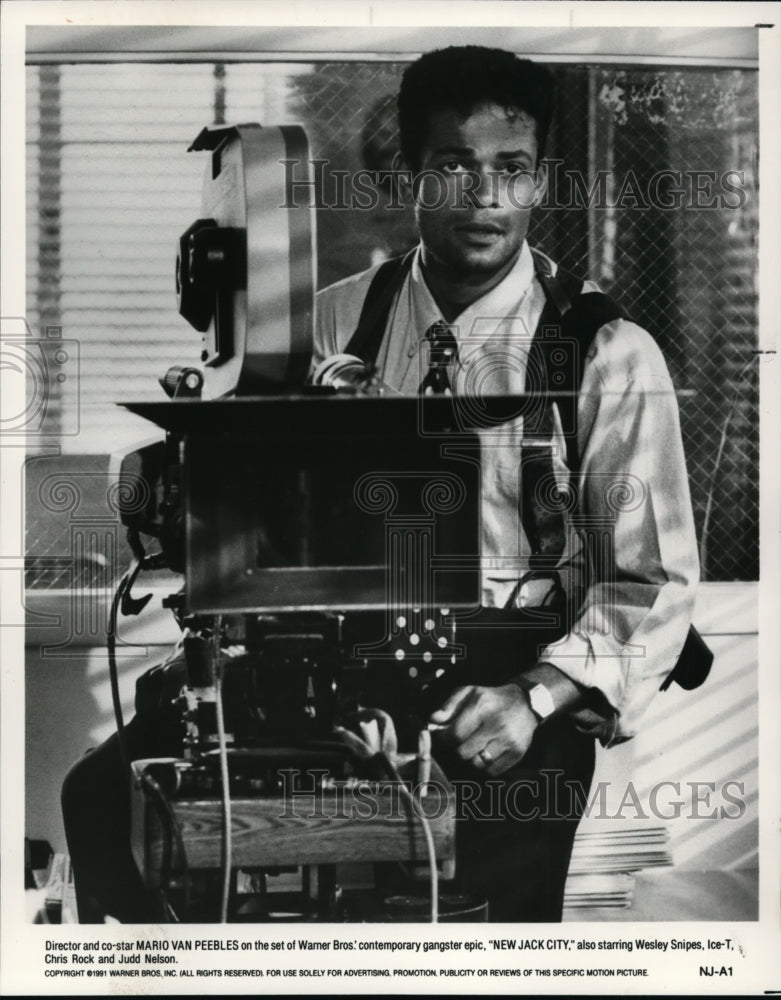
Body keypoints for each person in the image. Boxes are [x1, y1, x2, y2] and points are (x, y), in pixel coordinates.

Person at [313, 45, 700, 920]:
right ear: (409, 172)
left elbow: (652, 581)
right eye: (453, 165)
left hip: (524, 676)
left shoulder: (607, 352)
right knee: (109, 803)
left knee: (484, 932)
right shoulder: (341, 319)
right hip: (359, 662)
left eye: (510, 169)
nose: (484, 196)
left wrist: (534, 697)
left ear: (539, 182)